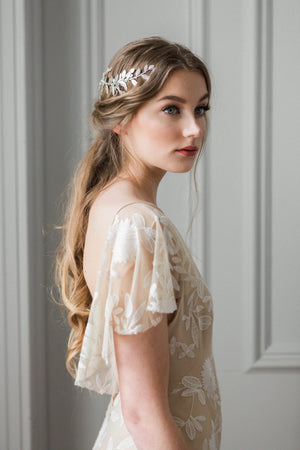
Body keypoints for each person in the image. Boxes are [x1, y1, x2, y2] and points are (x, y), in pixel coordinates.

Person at [55, 36, 222, 450]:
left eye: (200, 108)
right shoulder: (137, 225)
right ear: (121, 119)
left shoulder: (117, 206)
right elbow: (143, 412)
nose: (194, 128)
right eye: (172, 109)